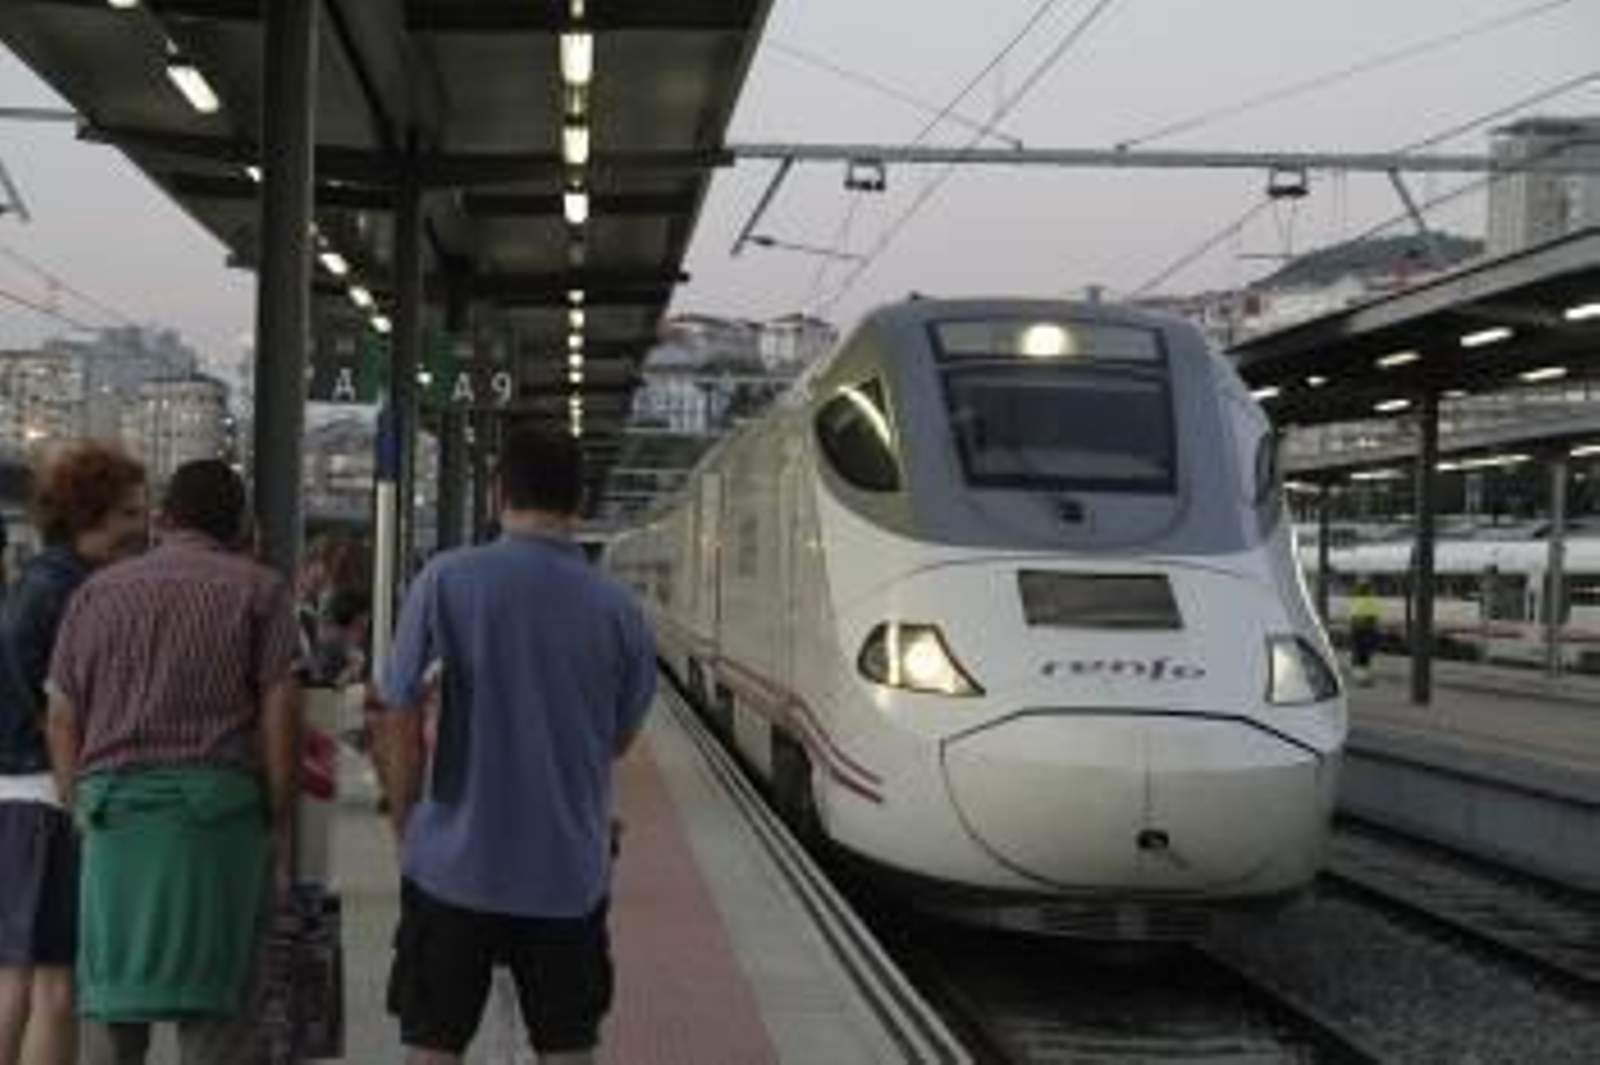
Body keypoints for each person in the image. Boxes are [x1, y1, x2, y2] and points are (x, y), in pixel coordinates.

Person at [372, 424, 655, 1065]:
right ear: (578, 503)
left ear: (498, 491)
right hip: (567, 873)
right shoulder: (619, 608)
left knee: (433, 1046)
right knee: (567, 1047)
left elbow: (398, 710)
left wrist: (406, 821)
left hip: (452, 865)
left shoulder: (445, 580)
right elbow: (619, 735)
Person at [44, 459, 302, 1065]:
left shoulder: (96, 592)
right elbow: (280, 713)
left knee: (110, 1010)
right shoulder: (260, 590)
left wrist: (77, 803)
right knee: (221, 1019)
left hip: (116, 821)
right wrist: (278, 811)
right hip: (220, 825)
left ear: (163, 519)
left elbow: (60, 714)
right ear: (241, 524)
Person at [0, 441, 146, 1065]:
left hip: (20, 794)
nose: (142, 525)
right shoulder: (69, 591)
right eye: (131, 512)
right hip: (51, 795)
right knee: (56, 983)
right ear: (94, 512)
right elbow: (57, 707)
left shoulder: (44, 580)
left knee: (17, 976)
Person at [1349, 578, 1382, 686]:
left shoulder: (1355, 600)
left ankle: (1359, 677)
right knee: (1365, 657)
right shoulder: (1371, 601)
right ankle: (1364, 678)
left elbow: (1353, 618)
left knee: (1358, 656)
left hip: (1357, 631)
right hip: (1367, 631)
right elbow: (1374, 618)